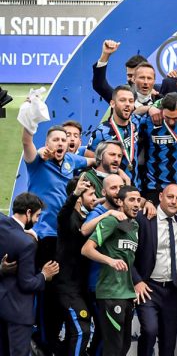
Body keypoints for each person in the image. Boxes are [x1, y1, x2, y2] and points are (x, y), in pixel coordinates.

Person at [22, 124, 93, 351]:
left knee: (64, 289)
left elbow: (92, 161)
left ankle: (54, 339)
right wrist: (29, 126)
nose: (61, 143)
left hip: (67, 238)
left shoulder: (72, 161)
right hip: (44, 238)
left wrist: (116, 169)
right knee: (47, 290)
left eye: (64, 140)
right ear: (47, 143)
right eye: (56, 140)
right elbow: (27, 144)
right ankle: (42, 338)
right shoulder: (38, 163)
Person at [81, 186, 141, 356]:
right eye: (131, 200)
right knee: (113, 349)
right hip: (110, 294)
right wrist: (110, 261)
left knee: (124, 347)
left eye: (138, 200)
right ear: (120, 202)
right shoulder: (111, 222)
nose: (136, 204)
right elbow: (86, 249)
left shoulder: (134, 225)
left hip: (127, 295)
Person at [131, 184, 177, 356]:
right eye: (170, 197)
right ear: (160, 196)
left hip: (173, 289)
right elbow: (127, 254)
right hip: (148, 287)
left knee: (169, 340)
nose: (174, 201)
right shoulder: (144, 218)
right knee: (149, 331)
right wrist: (137, 280)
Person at [0, 193, 59, 356]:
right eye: (37, 215)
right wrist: (44, 275)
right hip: (19, 313)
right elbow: (27, 283)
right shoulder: (26, 244)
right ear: (28, 212)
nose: (37, 221)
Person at [56, 177, 99, 356]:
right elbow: (63, 214)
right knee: (82, 331)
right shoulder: (68, 218)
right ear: (79, 197)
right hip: (68, 288)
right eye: (91, 194)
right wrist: (74, 194)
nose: (95, 198)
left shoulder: (86, 218)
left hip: (81, 287)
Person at [88, 85, 140, 182]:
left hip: (135, 187)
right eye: (122, 100)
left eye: (131, 101)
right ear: (112, 103)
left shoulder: (137, 122)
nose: (127, 104)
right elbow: (89, 157)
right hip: (113, 188)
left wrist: (151, 108)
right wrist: (118, 171)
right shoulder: (101, 131)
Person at [91, 39, 151, 103]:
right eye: (130, 75)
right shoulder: (120, 98)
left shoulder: (160, 93)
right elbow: (100, 86)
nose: (133, 80)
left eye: (137, 76)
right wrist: (105, 54)